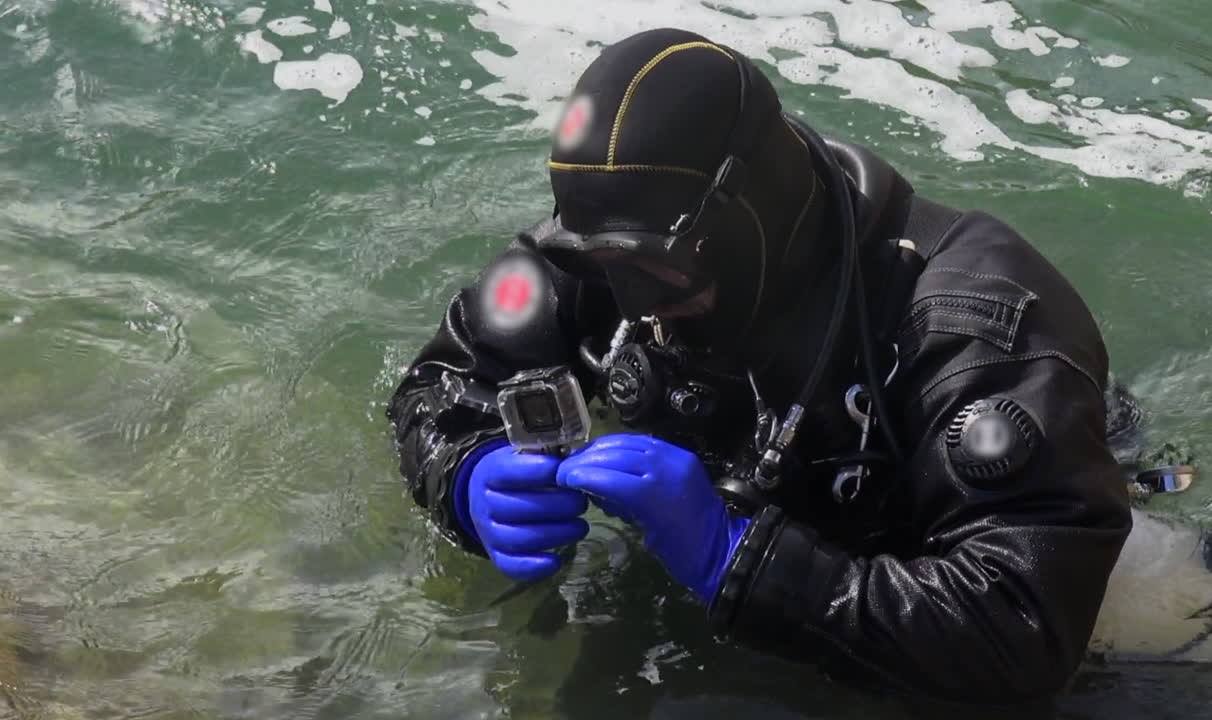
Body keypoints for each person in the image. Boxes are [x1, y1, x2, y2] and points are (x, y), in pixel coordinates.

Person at [386, 27, 1133, 705]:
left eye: (655, 269)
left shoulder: (979, 327)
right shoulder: (600, 249)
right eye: (603, 263)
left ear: (746, 227)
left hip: (993, 517)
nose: (630, 300)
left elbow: (1020, 634)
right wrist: (467, 475)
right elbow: (438, 386)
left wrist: (735, 559)